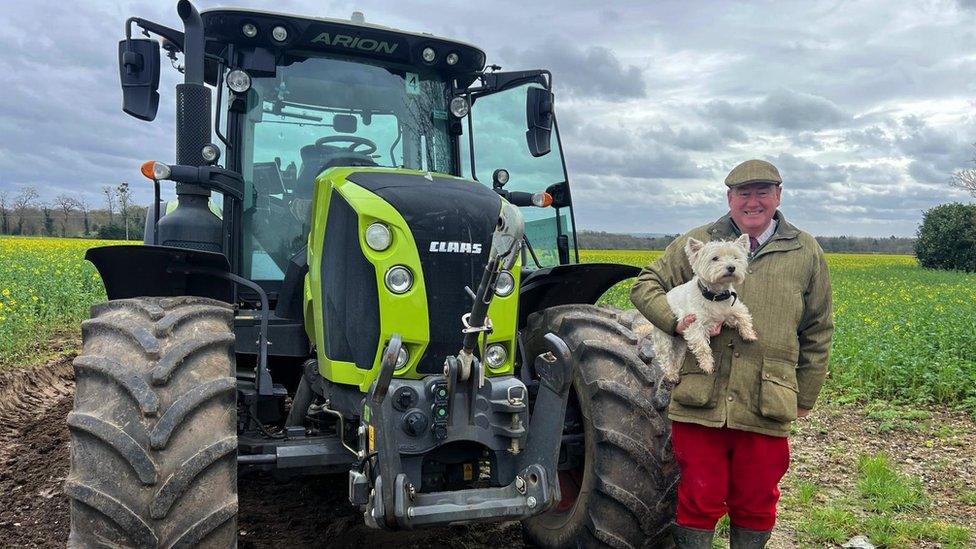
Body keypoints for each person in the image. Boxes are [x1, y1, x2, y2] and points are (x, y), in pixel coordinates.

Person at [630, 159, 833, 548]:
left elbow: (818, 328)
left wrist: (804, 396)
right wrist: (675, 322)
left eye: (762, 192)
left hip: (767, 398)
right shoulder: (700, 240)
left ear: (778, 195)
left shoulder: (805, 250)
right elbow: (645, 286)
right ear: (730, 197)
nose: (752, 201)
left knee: (757, 498)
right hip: (699, 395)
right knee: (698, 495)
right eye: (744, 193)